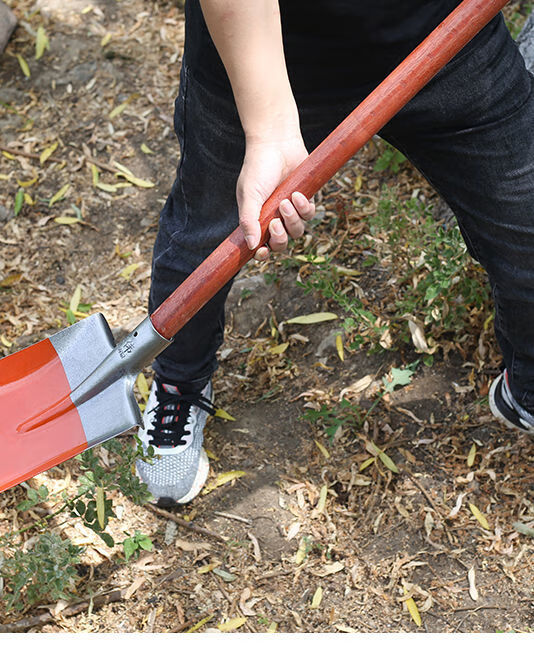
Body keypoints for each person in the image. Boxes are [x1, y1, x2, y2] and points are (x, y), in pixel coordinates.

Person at [136, 0, 534, 507]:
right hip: (270, 51)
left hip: (452, 32)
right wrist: (269, 127)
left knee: (528, 223)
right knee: (207, 234)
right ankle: (178, 385)